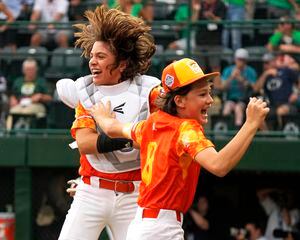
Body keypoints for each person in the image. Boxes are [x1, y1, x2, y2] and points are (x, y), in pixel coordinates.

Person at [90, 57, 269, 239]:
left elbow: (114, 129)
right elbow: (219, 165)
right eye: (202, 94)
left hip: (147, 224)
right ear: (180, 101)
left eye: (209, 92)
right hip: (160, 228)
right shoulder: (185, 129)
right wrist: (251, 124)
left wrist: (102, 116)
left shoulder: (153, 123)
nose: (210, 100)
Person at [56, 5, 161, 240]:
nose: (92, 61)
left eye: (101, 56)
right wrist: (128, 138)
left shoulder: (150, 90)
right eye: (92, 55)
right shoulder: (85, 90)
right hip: (91, 191)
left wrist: (115, 131)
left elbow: (159, 138)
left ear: (122, 63)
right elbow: (85, 143)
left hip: (134, 195)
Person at [6, 58, 52, 129]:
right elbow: (13, 95)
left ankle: (29, 133)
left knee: (27, 111)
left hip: (37, 105)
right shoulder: (18, 81)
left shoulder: (41, 81)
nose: (30, 71)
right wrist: (12, 99)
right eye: (28, 69)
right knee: (12, 111)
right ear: (23, 70)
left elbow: (50, 97)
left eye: (32, 69)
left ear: (36, 69)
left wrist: (41, 96)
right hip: (20, 105)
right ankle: (9, 133)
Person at [221, 48, 257, 128]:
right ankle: (225, 130)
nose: (240, 62)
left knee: (238, 109)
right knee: (227, 109)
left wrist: (240, 79)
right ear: (235, 59)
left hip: (244, 99)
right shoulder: (228, 70)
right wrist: (231, 77)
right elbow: (222, 87)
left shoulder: (250, 71)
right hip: (230, 99)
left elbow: (254, 88)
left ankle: (237, 131)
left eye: (243, 60)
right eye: (239, 59)